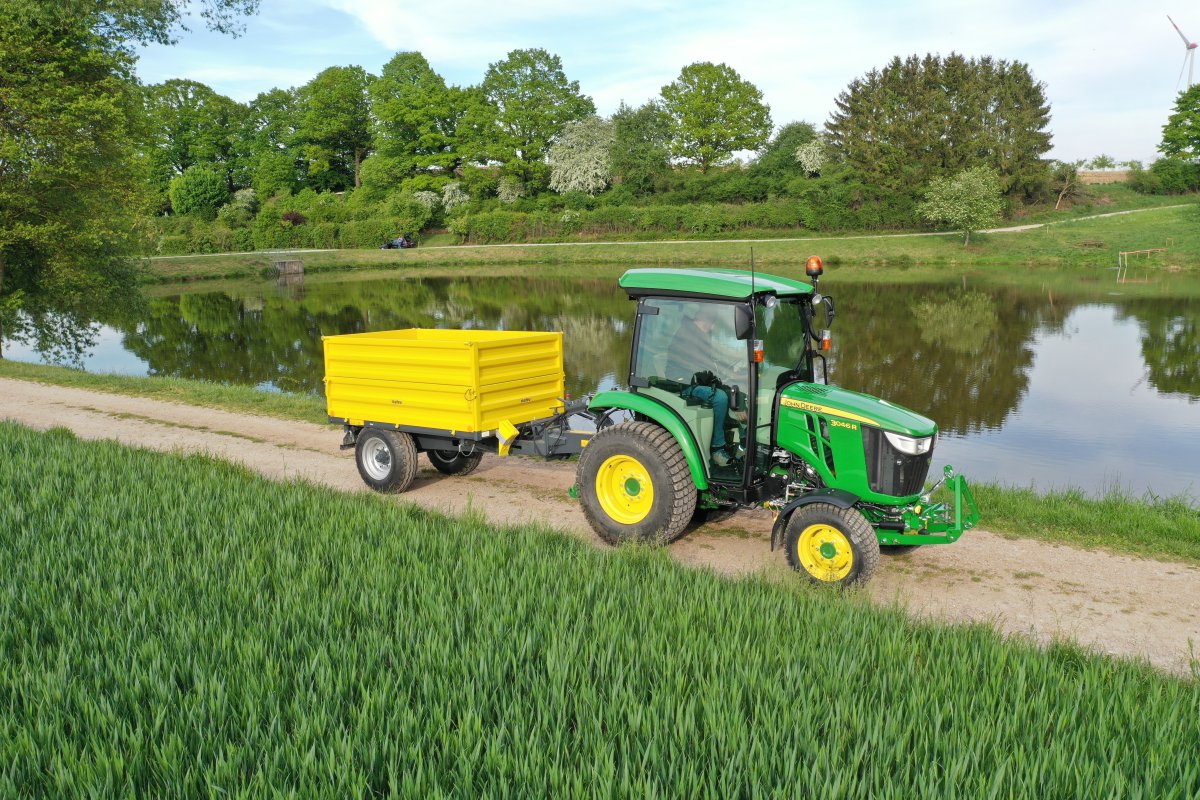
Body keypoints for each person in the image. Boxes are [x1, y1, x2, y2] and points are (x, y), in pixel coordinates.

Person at [665, 304, 746, 467]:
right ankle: (717, 448)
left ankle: (743, 445)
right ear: (706, 320)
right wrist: (722, 375)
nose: (714, 326)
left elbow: (708, 364)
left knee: (741, 393)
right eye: (713, 322)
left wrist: (730, 371)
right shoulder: (687, 335)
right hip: (683, 383)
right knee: (720, 397)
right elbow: (700, 368)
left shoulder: (700, 334)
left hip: (697, 379)